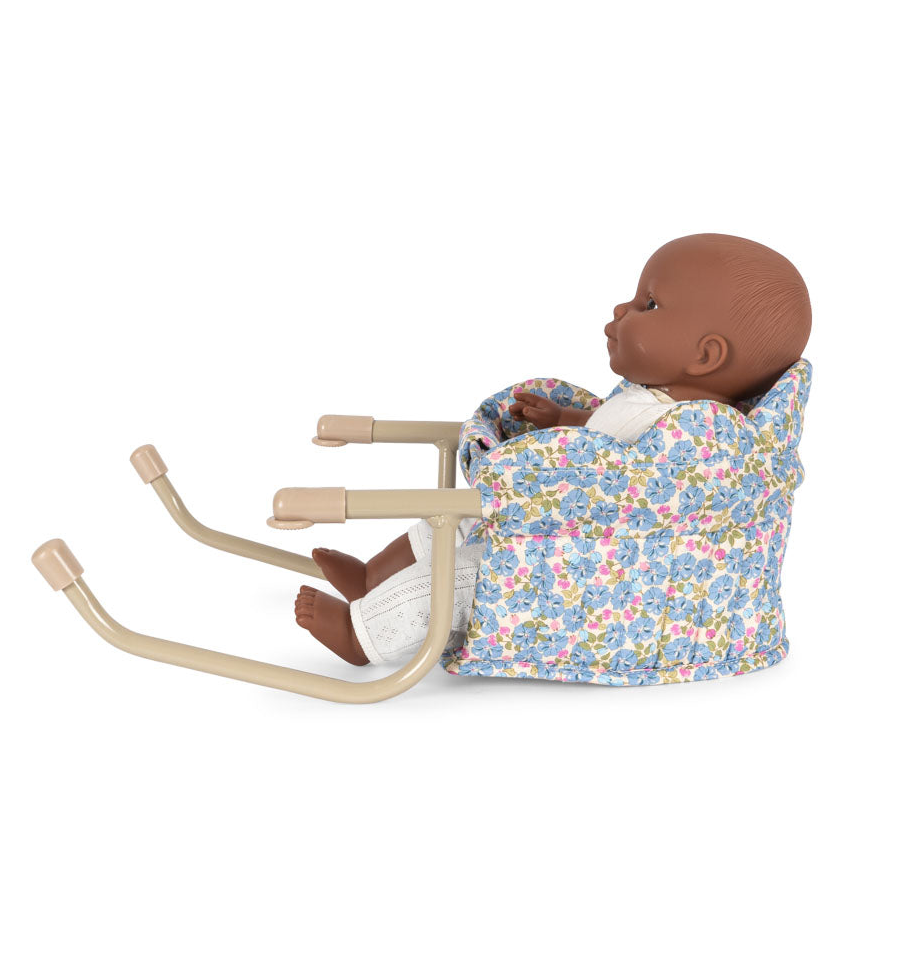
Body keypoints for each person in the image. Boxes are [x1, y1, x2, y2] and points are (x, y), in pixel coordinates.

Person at [294, 232, 812, 666]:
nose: (622, 309)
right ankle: (372, 577)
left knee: (462, 578)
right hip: (549, 510)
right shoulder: (648, 398)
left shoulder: (700, 438)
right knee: (444, 526)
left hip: (567, 544)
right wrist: (565, 419)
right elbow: (609, 432)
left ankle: (362, 637)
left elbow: (633, 469)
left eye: (648, 304)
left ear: (705, 356)